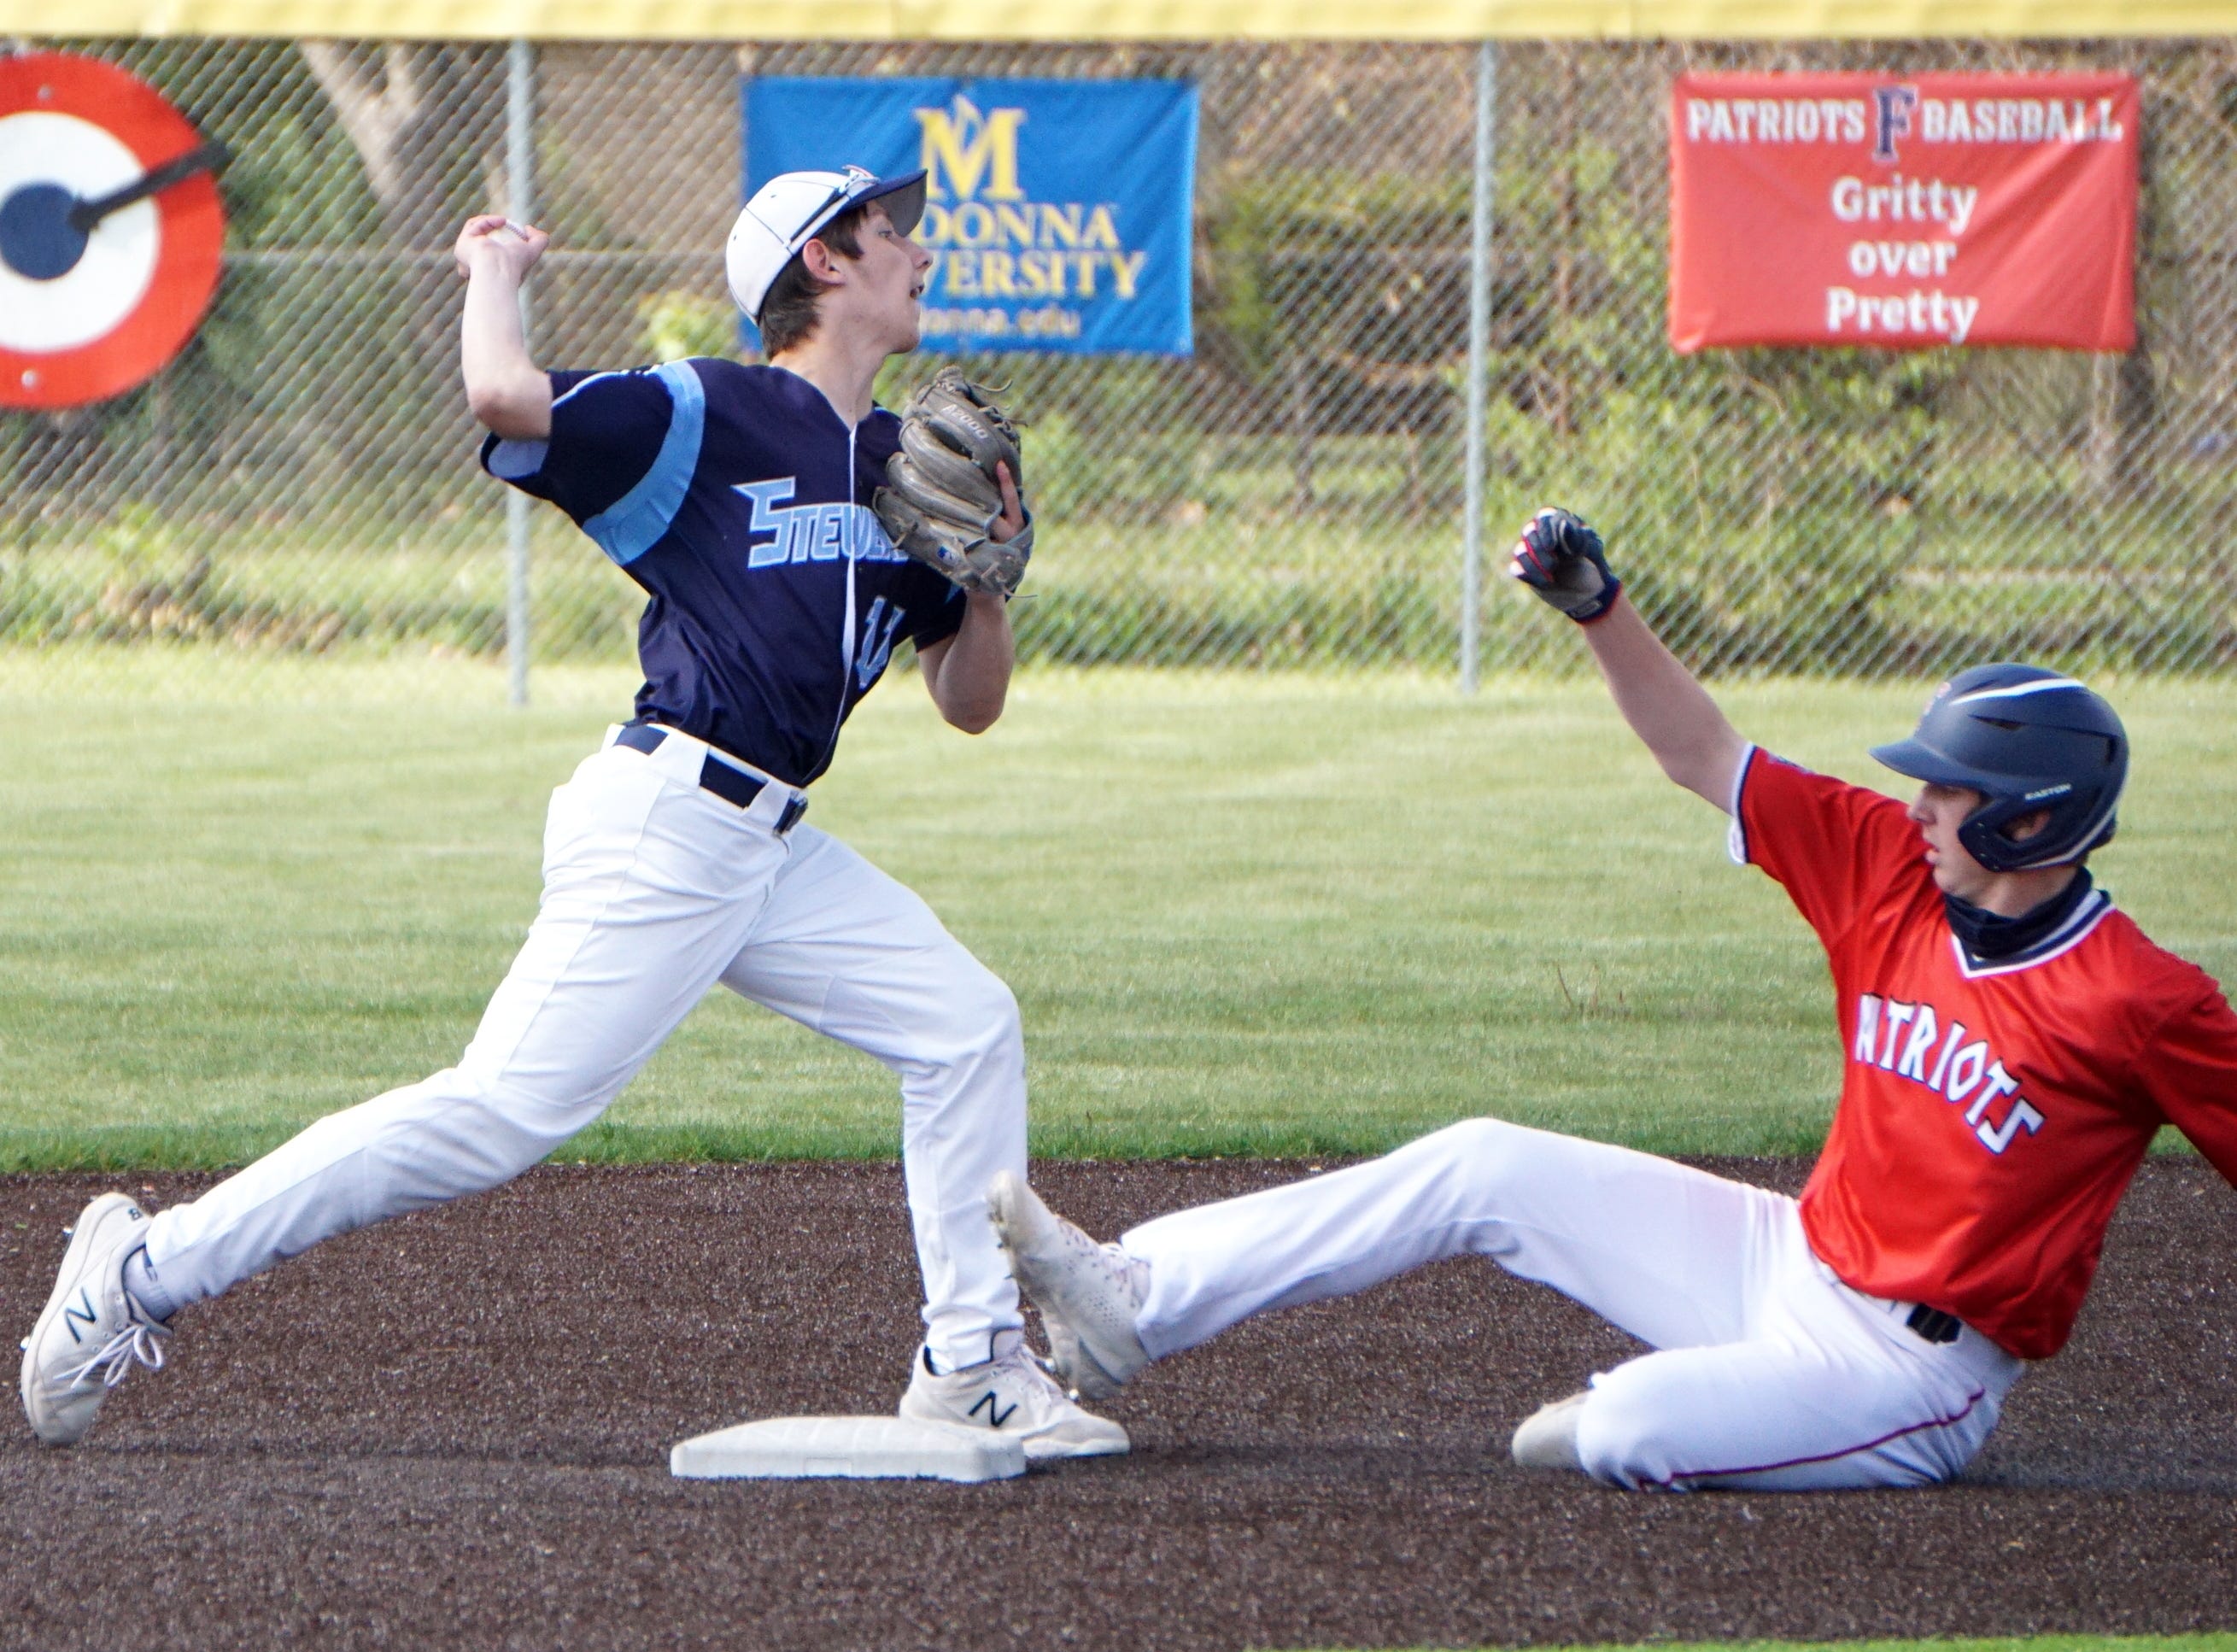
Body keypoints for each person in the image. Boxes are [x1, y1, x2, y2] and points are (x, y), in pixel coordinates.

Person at [21, 164, 1126, 1462]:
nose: (919, 254)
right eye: (894, 234)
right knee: (494, 1116)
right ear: (824, 264)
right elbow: (504, 401)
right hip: (667, 822)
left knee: (962, 1027)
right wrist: (494, 273)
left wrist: (989, 582)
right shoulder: (707, 413)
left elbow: (969, 702)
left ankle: (972, 1367)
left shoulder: (904, 466)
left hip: (765, 847)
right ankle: (139, 1270)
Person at [987, 507, 2237, 1491]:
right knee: (1483, 1164)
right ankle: (1133, 1304)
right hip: (1788, 1259)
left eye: (1952, 792)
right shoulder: (1887, 872)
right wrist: (1600, 612)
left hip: (1916, 1378)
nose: (1920, 806)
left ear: (2034, 817)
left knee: (1626, 1428)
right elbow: (1704, 753)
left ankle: (1703, 1410)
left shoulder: (2140, 999)